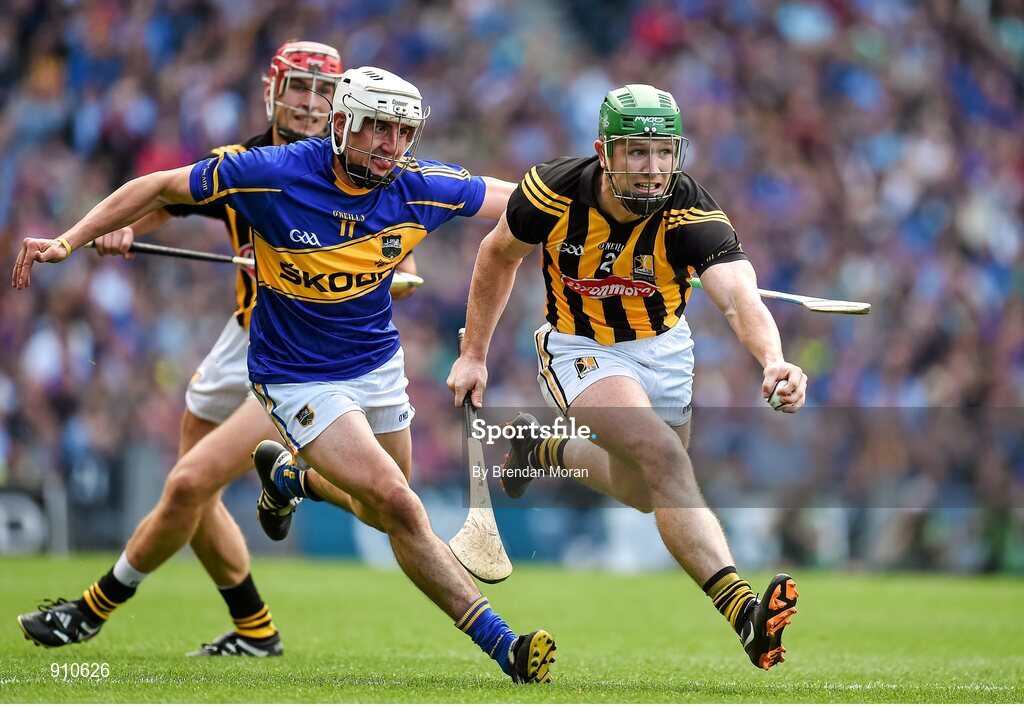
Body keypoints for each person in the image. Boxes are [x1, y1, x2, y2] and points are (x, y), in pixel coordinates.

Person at [12, 64, 556, 684]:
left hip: (377, 366)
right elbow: (161, 184)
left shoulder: (420, 186)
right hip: (296, 375)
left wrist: (586, 205)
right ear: (344, 124)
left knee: (384, 506)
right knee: (400, 505)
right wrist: (70, 240)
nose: (391, 145)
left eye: (403, 132)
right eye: (377, 128)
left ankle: (293, 478)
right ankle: (505, 646)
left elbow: (518, 199)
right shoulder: (273, 173)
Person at [447, 84, 805, 671]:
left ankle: (543, 450)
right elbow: (497, 255)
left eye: (664, 152)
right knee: (663, 457)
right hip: (579, 347)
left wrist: (773, 360)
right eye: (636, 152)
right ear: (604, 152)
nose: (652, 169)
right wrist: (475, 354)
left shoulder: (691, 209)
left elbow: (740, 298)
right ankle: (745, 614)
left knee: (644, 491)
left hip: (664, 350)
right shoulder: (553, 191)